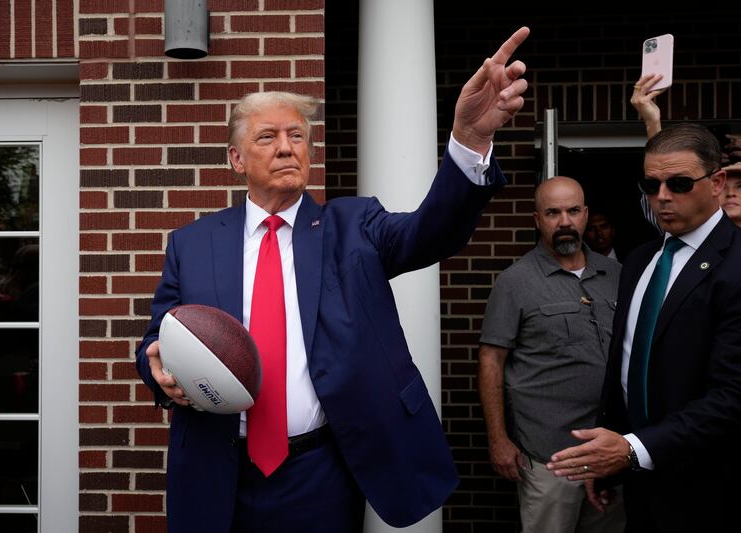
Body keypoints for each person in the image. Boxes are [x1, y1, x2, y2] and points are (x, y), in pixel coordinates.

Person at [136, 27, 531, 533]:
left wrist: (470, 141)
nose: (286, 148)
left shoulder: (354, 226)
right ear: (236, 159)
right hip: (216, 468)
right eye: (267, 137)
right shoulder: (191, 244)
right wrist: (157, 370)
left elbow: (432, 233)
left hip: (320, 472)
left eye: (296, 136)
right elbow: (157, 340)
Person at [546, 123, 741, 532]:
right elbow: (628, 368)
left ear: (717, 182)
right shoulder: (639, 261)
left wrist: (631, 449)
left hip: (711, 490)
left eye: (680, 183)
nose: (662, 197)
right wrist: (611, 459)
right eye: (651, 185)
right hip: (640, 486)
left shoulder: (735, 265)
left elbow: (732, 396)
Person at [478, 177, 624, 532]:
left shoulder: (618, 275)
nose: (564, 222)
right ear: (537, 219)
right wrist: (498, 440)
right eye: (553, 213)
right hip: (549, 456)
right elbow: (491, 361)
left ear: (586, 215)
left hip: (610, 451)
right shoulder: (516, 281)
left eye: (573, 211)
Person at [632, 73, 741, 228]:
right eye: (724, 187)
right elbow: (662, 171)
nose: (730, 194)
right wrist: (652, 122)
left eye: (740, 186)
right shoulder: (683, 235)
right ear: (715, 187)